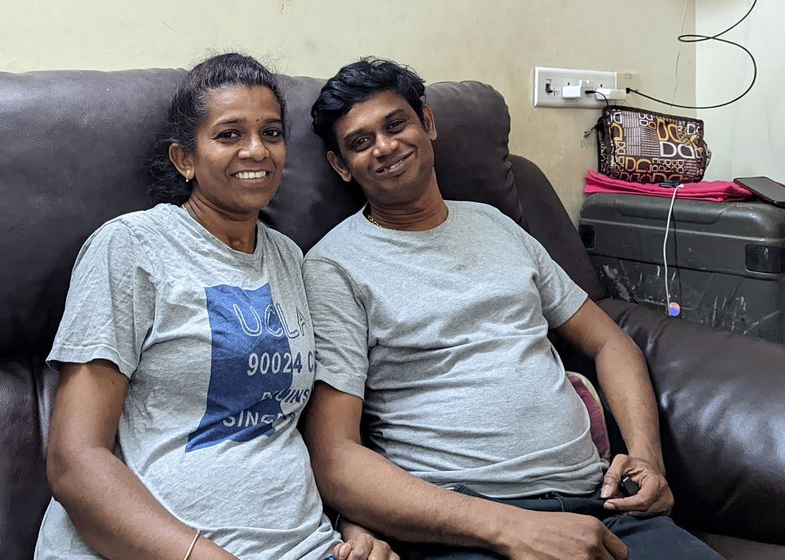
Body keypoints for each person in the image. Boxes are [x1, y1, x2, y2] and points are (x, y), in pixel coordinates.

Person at [301, 57, 725, 560]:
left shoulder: (496, 225)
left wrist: (646, 460)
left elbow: (609, 340)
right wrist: (509, 529)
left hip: (604, 505)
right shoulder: (334, 267)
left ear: (427, 123)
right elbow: (333, 457)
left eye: (396, 125)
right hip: (468, 525)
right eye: (360, 142)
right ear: (340, 165)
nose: (385, 147)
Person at [34, 53, 396, 560]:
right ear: (185, 158)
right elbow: (75, 460)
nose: (257, 151)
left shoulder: (290, 258)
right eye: (229, 135)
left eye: (271, 133)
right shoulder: (132, 247)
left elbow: (299, 432)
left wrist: (355, 528)